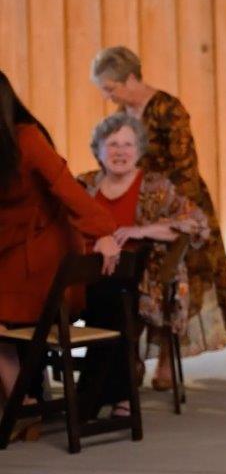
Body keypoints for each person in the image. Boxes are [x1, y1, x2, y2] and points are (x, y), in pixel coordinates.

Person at [90, 46, 226, 390]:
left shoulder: (169, 109)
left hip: (175, 200)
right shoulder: (123, 112)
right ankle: (127, 357)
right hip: (140, 201)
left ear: (131, 78)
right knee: (134, 276)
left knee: (174, 276)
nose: (107, 95)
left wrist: (174, 217)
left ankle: (165, 360)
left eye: (111, 87)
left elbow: (184, 168)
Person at [0, 71, 121, 441]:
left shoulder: (27, 138)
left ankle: (22, 405)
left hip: (42, 256)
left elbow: (69, 190)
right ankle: (23, 402)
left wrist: (103, 232)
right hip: (9, 253)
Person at [75, 113, 210, 419]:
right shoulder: (84, 185)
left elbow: (196, 223)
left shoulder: (155, 186)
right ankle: (115, 394)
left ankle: (90, 399)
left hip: (144, 279)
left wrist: (141, 231)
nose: (120, 152)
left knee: (114, 299)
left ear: (139, 150)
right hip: (86, 274)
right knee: (106, 299)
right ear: (98, 150)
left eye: (127, 144)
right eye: (112, 145)